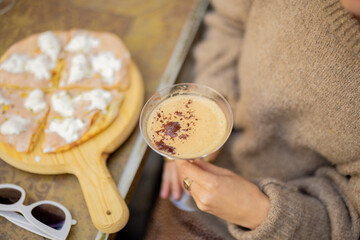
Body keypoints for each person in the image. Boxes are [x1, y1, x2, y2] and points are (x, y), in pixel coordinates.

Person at [145, 0, 360, 239]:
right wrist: (214, 100)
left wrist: (258, 211)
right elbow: (228, 23)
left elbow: (352, 221)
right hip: (185, 184)